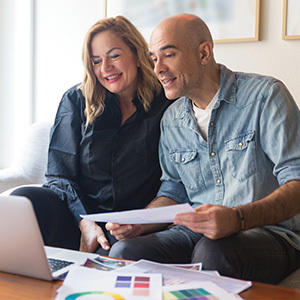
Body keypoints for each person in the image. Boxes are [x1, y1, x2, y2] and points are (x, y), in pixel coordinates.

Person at [107, 13, 300, 284]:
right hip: (197, 234)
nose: (157, 68)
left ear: (204, 53)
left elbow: (296, 182)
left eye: (169, 55)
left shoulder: (266, 96)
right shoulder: (172, 119)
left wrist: (238, 218)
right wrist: (142, 222)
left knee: (212, 252)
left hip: (270, 233)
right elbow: (174, 190)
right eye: (153, 58)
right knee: (125, 251)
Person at [11, 16, 172, 255]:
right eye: (96, 61)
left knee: (118, 252)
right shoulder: (75, 100)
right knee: (23, 199)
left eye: (114, 55)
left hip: (131, 224)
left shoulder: (167, 102)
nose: (105, 68)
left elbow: (174, 181)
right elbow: (59, 175)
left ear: (137, 54)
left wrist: (140, 221)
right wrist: (85, 222)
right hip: (78, 215)